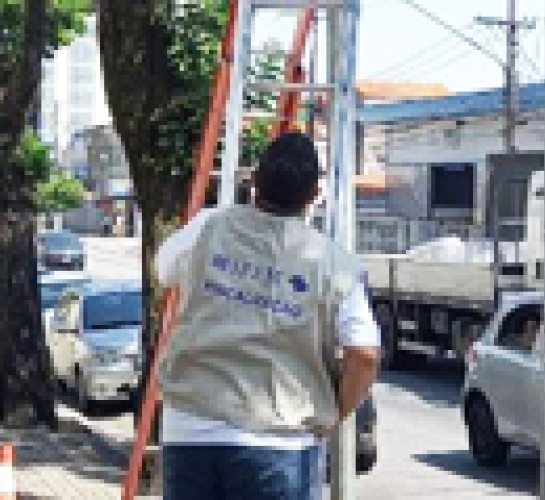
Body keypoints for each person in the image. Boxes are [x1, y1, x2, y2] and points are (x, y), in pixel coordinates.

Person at [155, 132, 382, 500]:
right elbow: (365, 354)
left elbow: (164, 270)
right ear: (313, 195)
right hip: (281, 442)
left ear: (255, 183)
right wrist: (334, 414)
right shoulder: (334, 264)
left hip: (190, 428)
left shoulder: (208, 228)